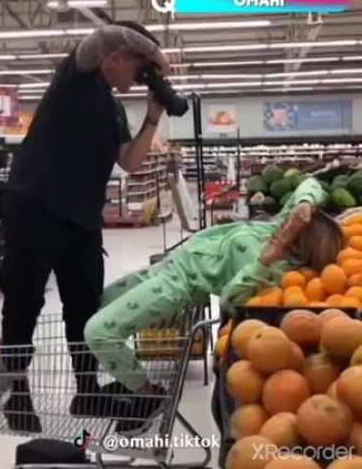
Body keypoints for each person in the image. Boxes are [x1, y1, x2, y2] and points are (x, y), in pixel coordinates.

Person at [1, 21, 169, 432]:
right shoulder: (75, 79)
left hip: (81, 219)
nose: (142, 77)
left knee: (85, 304)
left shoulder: (112, 106)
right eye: (140, 68)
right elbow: (103, 36)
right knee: (24, 303)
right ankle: (16, 391)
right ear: (118, 59)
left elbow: (130, 162)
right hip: (34, 209)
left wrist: (152, 117)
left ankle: (86, 389)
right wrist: (157, 54)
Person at [84, 178, 344, 434]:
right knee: (95, 303)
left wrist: (263, 261)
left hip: (178, 285)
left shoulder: (277, 271)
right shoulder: (283, 227)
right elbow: (311, 183)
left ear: (304, 247)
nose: (291, 223)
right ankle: (124, 379)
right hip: (171, 263)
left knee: (99, 333)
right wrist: (304, 204)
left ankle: (147, 395)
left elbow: (230, 301)